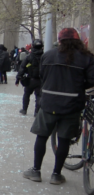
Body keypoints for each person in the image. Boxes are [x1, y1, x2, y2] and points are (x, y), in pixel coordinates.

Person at [23, 28, 94, 185]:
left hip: (49, 102)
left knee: (41, 136)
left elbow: (42, 75)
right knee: (64, 140)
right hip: (72, 104)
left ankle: (36, 170)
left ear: (59, 41)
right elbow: (91, 80)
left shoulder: (48, 55)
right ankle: (56, 174)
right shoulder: (87, 58)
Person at [16, 39, 44, 116]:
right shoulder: (44, 57)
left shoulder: (29, 57)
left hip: (30, 79)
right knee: (38, 96)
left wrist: (18, 78)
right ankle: (36, 112)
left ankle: (24, 109)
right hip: (40, 80)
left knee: (27, 94)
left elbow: (22, 68)